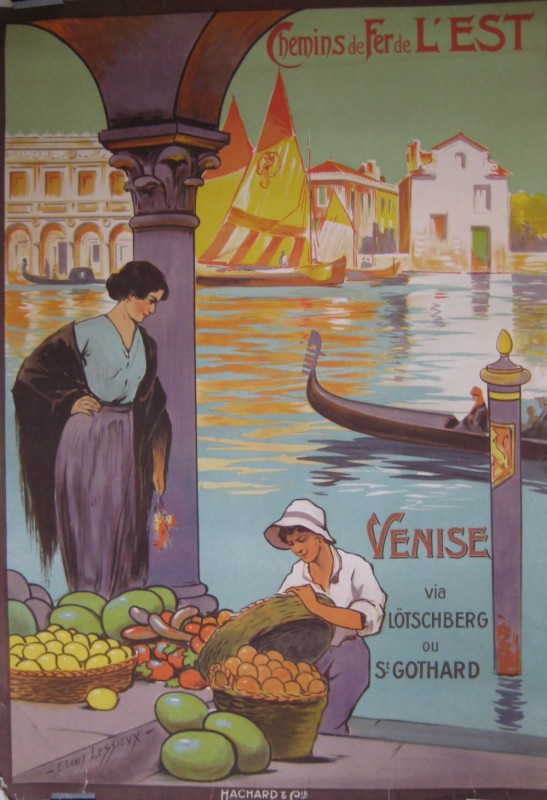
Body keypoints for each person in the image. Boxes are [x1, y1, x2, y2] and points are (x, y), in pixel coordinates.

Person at [12, 260, 172, 599]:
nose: (153, 309)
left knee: (127, 525)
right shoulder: (83, 333)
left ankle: (124, 607)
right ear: (130, 294)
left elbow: (154, 402)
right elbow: (30, 375)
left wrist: (158, 461)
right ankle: (87, 604)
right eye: (151, 300)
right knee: (91, 525)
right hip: (87, 441)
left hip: (128, 442)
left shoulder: (147, 344)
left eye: (157, 301)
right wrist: (69, 401)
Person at [264, 498, 386, 736]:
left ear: (319, 536)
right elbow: (276, 615)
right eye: (291, 544)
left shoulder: (355, 566)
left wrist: (315, 606)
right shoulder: (297, 575)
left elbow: (365, 620)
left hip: (348, 654)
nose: (297, 549)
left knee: (330, 727)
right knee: (301, 723)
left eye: (302, 540)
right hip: (308, 657)